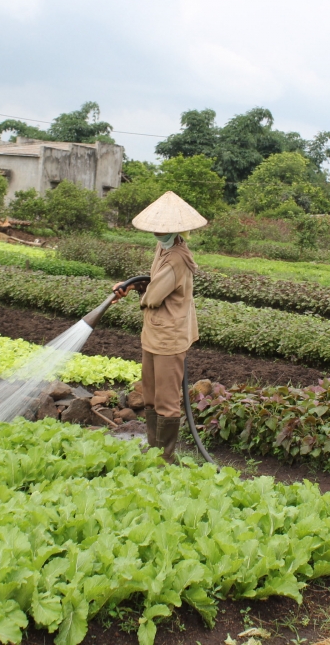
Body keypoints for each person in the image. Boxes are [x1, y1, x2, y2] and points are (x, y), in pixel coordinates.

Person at [111, 191, 207, 463]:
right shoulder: (164, 248)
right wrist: (130, 284)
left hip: (169, 337)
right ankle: (153, 448)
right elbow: (152, 282)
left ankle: (164, 456)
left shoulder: (177, 258)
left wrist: (139, 290)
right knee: (151, 396)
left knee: (166, 401)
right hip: (154, 334)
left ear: (174, 230)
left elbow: (153, 296)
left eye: (160, 230)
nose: (156, 234)